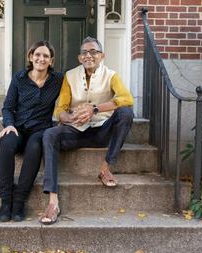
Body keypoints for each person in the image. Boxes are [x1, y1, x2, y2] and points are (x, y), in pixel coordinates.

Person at [39, 37, 134, 225]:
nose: (88, 56)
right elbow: (60, 109)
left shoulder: (111, 75)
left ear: (102, 56)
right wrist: (69, 117)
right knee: (49, 134)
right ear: (79, 57)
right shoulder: (70, 76)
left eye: (93, 52)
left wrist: (95, 109)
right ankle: (52, 201)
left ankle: (106, 168)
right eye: (84, 52)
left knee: (126, 113)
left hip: (101, 131)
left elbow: (126, 99)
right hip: (75, 131)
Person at [0, 41, 63, 222]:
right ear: (30, 57)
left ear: (51, 61)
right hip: (18, 127)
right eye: (38, 55)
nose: (41, 58)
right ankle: (5, 200)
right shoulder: (19, 78)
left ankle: (19, 201)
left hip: (40, 129)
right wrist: (9, 125)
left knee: (35, 147)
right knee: (6, 141)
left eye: (46, 56)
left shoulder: (58, 80)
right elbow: (8, 107)